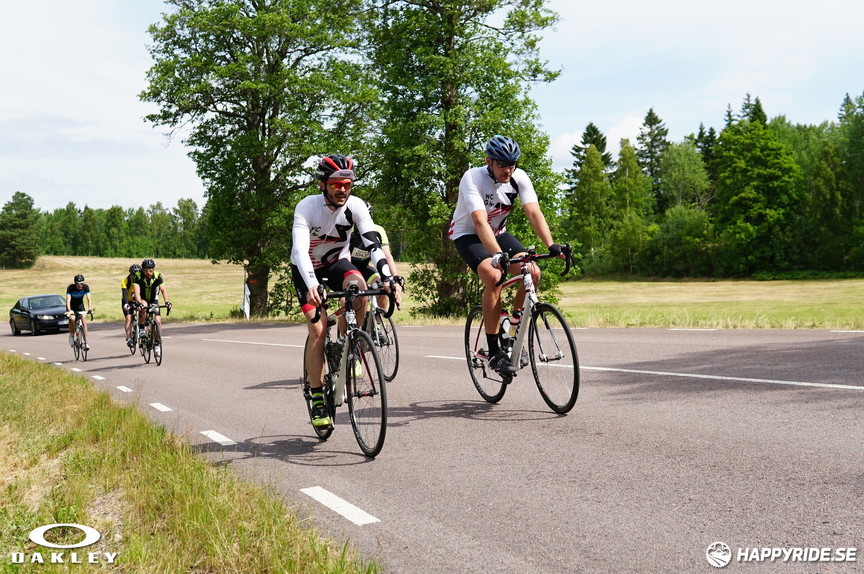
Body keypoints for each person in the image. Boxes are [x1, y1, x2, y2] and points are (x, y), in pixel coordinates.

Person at [291, 154, 401, 428]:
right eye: (336, 184)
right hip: (307, 268)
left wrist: (388, 277)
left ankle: (346, 341)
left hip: (336, 262)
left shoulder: (356, 206)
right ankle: (317, 398)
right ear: (323, 185)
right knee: (317, 331)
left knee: (360, 287)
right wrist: (312, 285)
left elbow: (372, 243)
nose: (342, 189)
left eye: (347, 184)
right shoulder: (307, 207)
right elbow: (299, 251)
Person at [448, 135, 565, 374]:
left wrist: (551, 245)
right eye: (502, 164)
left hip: (498, 232)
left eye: (512, 164)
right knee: (493, 275)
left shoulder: (518, 177)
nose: (508, 169)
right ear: (488, 161)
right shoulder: (472, 178)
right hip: (467, 234)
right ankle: (493, 352)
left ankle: (512, 329)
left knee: (532, 271)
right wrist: (498, 255)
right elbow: (479, 222)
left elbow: (534, 213)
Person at [349, 201, 405, 311]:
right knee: (347, 299)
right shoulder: (348, 230)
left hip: (364, 268)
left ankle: (376, 325)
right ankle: (346, 328)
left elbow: (387, 256)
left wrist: (395, 276)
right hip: (348, 269)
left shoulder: (378, 230)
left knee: (383, 289)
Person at [132, 259, 172, 356]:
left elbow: (163, 290)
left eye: (150, 270)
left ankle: (157, 344)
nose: (148, 273)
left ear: (153, 269)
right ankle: (141, 329)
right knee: (144, 307)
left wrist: (167, 302)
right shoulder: (138, 276)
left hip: (154, 299)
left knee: (158, 322)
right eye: (146, 270)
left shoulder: (158, 276)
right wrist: (139, 302)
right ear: (142, 270)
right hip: (142, 298)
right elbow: (136, 292)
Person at [66, 274, 94, 350]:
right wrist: (69, 310)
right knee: (72, 319)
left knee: (84, 322)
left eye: (82, 283)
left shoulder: (86, 287)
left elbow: (89, 299)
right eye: (78, 284)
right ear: (75, 283)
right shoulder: (70, 288)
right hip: (71, 306)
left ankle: (86, 342)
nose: (80, 285)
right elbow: (68, 300)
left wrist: (90, 309)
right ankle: (71, 335)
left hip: (80, 306)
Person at [122, 264, 141, 347]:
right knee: (129, 318)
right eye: (134, 275)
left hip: (137, 300)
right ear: (130, 274)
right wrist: (126, 304)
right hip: (127, 301)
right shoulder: (125, 281)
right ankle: (129, 338)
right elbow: (125, 294)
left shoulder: (141, 280)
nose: (135, 276)